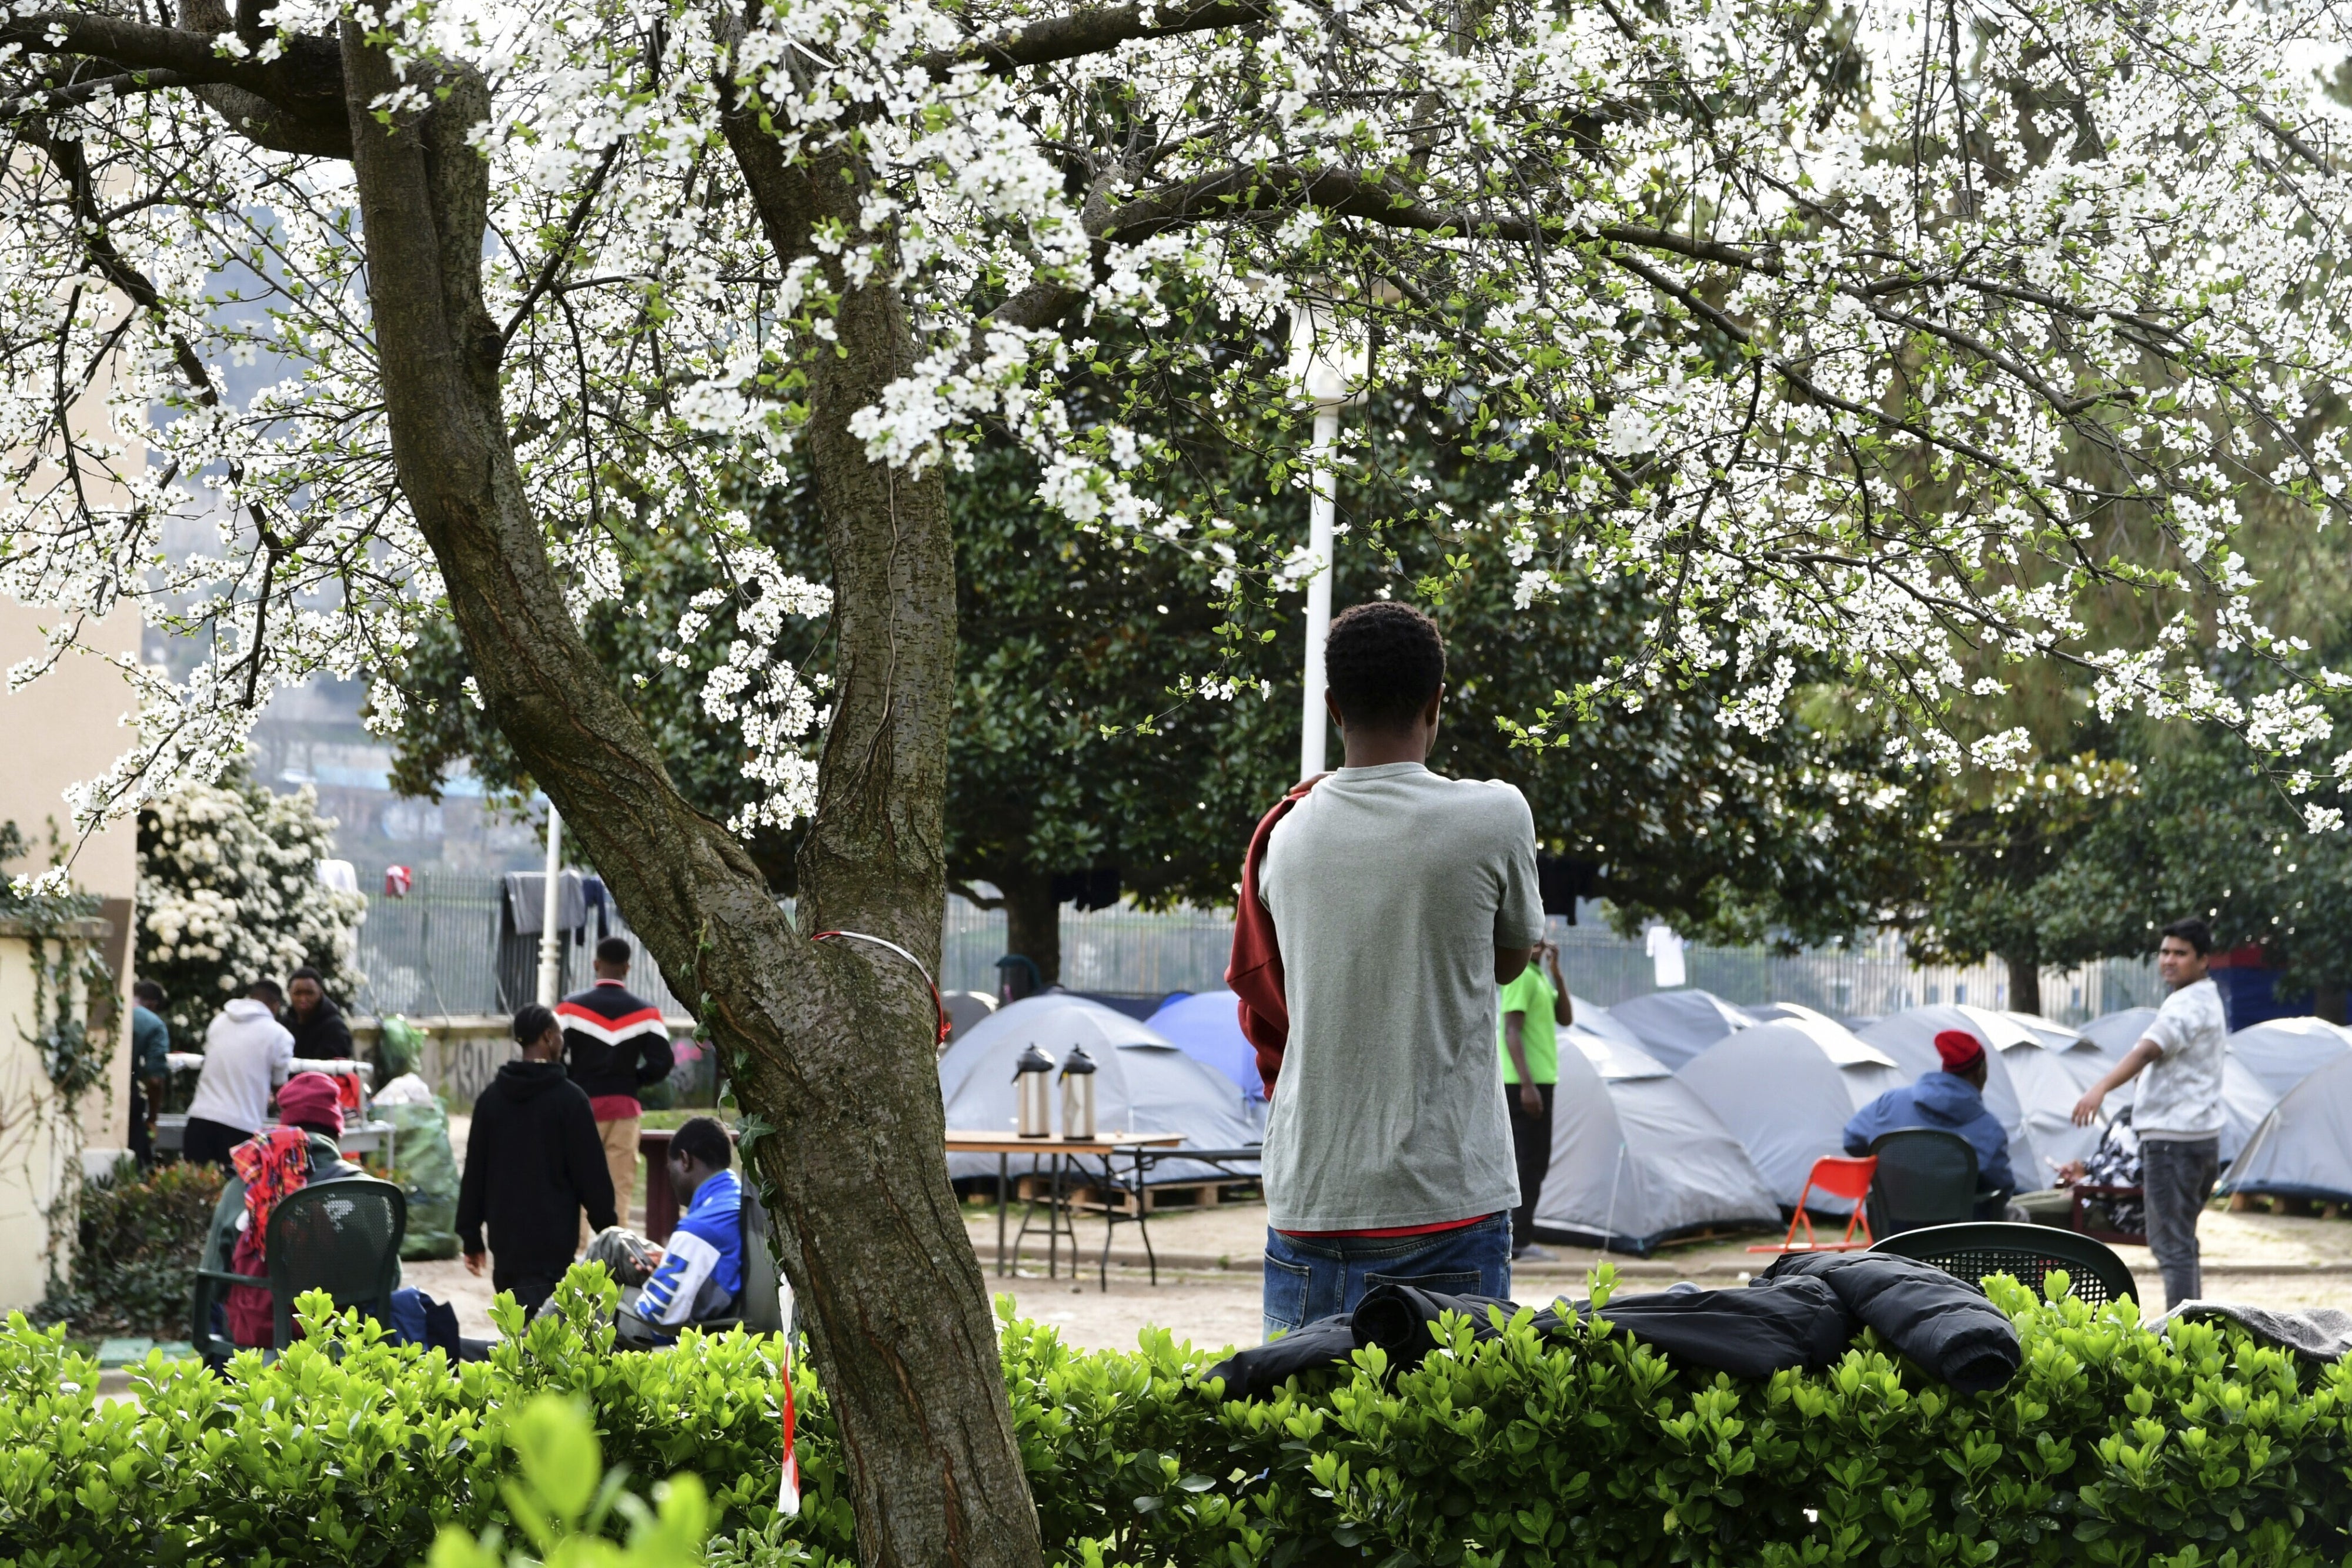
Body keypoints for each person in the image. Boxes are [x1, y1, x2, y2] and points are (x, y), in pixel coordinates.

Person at [1233, 602, 1544, 1340]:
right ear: (1436, 702)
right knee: (1445, 1447)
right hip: (1446, 1195)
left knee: (1309, 1440)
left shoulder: (1286, 835)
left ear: (1333, 706)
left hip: (1311, 1197)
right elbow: (1506, 962)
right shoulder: (1495, 815)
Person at [2071, 918, 2226, 1308]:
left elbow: (2149, 1048)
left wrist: (2100, 1087)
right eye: (2165, 951)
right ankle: (2193, 1329)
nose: (2169, 960)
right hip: (2199, 1139)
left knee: (2171, 1246)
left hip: (2174, 1144)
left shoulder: (2188, 1002)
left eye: (2181, 953)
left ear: (2204, 959)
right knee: (2183, 1243)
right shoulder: (2205, 998)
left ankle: (2182, 1343)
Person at [458, 1004, 618, 1318]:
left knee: (518, 1331)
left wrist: (471, 1236)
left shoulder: (491, 1099)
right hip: (553, 1248)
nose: (563, 1039)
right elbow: (592, 1175)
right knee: (547, 1337)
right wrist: (607, 1228)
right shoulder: (570, 1100)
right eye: (559, 1032)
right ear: (548, 1036)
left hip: (506, 1247)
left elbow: (475, 1172)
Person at [199, 1071, 371, 1349]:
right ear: (337, 1131)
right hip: (344, 1346)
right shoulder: (365, 1190)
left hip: (256, 1345)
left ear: (285, 1125)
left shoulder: (245, 1184)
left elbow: (212, 1280)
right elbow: (390, 1279)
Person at [586, 1115, 746, 1347]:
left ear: (685, 1160)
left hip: (687, 1332)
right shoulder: (733, 1199)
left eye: (671, 1170)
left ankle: (530, 1347)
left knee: (590, 1297)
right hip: (712, 1295)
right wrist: (669, 1265)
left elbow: (657, 1315)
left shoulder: (698, 1230)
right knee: (611, 1242)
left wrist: (657, 1284)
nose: (671, 1179)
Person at [557, 936, 674, 1244]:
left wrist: (572, 1078)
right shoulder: (647, 1014)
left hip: (581, 1108)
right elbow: (664, 1061)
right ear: (628, 968)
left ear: (596, 965)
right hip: (624, 1110)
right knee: (619, 1188)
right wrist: (633, 1080)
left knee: (576, 1182)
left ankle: (575, 1259)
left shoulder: (569, 1009)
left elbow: (551, 1052)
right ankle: (613, 1255)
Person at [1842, 1029, 2016, 1216]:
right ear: (1981, 1071)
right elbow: (2002, 1189)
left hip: (1894, 1235)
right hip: (1960, 1239)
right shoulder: (1989, 1130)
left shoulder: (1888, 1104)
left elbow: (1851, 1140)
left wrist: (1890, 1168)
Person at [1498, 938, 1572, 1262]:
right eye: (1533, 937)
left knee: (1536, 1161)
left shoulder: (1538, 977)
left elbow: (1566, 1018)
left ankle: (1521, 1238)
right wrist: (1528, 1086)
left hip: (1540, 1081)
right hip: (1524, 1085)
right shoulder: (1521, 977)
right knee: (1528, 1163)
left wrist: (1557, 973)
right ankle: (1519, 1242)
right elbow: (1511, 1031)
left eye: (1544, 938)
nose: (1541, 942)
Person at [182, 979, 295, 1168]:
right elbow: (280, 1088)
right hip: (242, 1127)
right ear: (275, 1006)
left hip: (199, 1119)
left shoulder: (220, 1021)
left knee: (196, 1190)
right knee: (236, 1194)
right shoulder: (280, 1035)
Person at [129, 979, 171, 1168]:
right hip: (129, 1099)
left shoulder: (114, 1006)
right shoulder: (154, 1025)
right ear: (153, 1004)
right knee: (139, 1165)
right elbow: (155, 1080)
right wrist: (152, 1119)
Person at [286, 965, 355, 1059]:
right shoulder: (286, 1021)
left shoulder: (335, 1027)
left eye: (309, 993)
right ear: (290, 994)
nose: (303, 999)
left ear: (321, 994)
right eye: (298, 993)